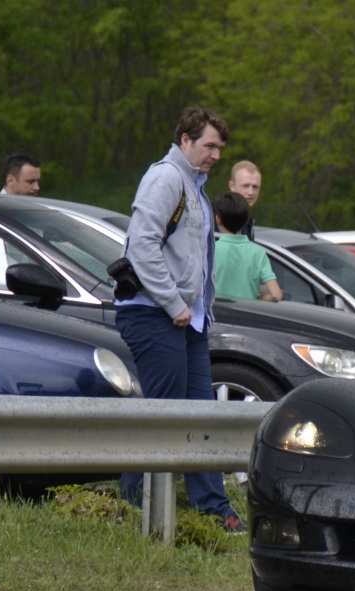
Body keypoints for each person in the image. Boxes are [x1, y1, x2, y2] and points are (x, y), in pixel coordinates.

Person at [115, 106, 243, 533]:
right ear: (185, 140)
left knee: (199, 415)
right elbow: (142, 248)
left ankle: (214, 510)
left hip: (188, 320)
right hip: (156, 315)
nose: (215, 155)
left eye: (220, 148)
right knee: (164, 415)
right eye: (209, 145)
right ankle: (132, 509)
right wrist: (174, 304)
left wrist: (195, 311)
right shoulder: (166, 178)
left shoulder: (195, 186)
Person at [213, 192, 282, 302]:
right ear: (246, 220)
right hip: (247, 314)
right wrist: (255, 300)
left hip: (217, 313)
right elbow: (276, 294)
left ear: (218, 219)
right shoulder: (258, 253)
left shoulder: (210, 250)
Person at [228, 160, 262, 238]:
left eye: (255, 187)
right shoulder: (221, 219)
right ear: (232, 186)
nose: (251, 192)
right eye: (245, 186)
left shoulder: (245, 221)